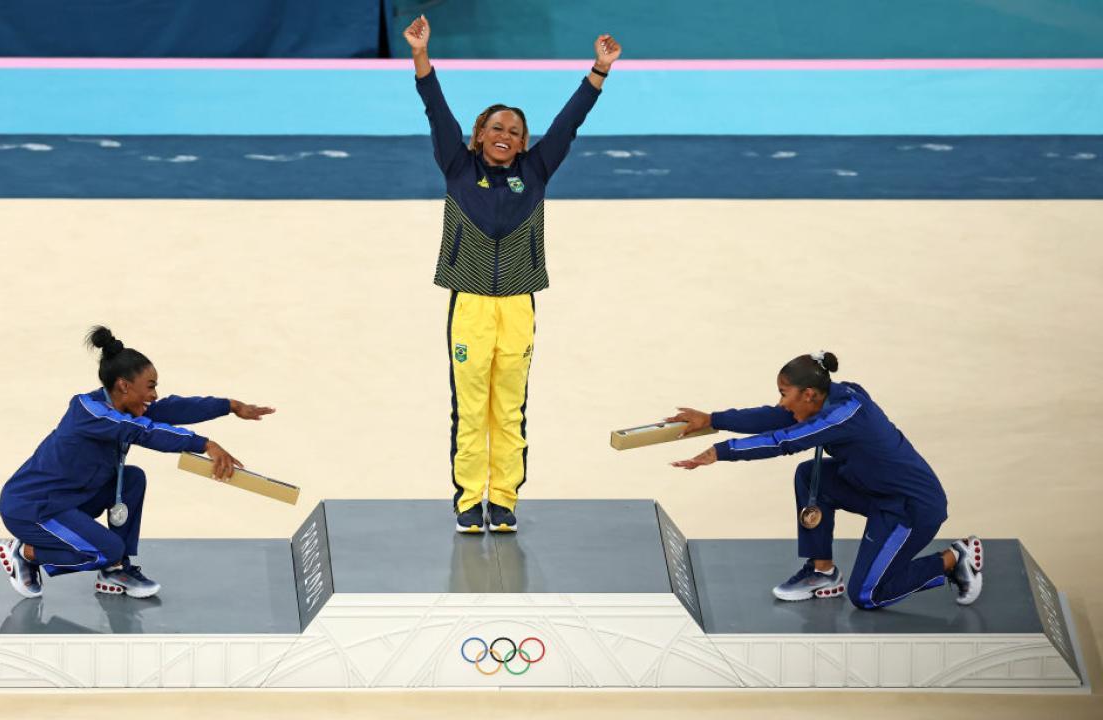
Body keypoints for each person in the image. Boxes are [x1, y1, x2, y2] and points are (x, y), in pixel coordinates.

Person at [403, 15, 621, 534]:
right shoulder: (457, 166)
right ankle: (466, 500)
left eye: (515, 132)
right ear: (479, 136)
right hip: (471, 306)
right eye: (496, 128)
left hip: (519, 304)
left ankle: (502, 500)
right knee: (471, 405)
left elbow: (568, 124)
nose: (505, 135)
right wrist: (420, 57)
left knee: (510, 408)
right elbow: (436, 111)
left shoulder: (537, 171)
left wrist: (598, 71)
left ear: (524, 145)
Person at [667, 351, 984, 609]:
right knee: (809, 475)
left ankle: (954, 558)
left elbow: (783, 441)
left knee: (867, 595)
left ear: (807, 394)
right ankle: (822, 572)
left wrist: (720, 452)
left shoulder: (844, 414)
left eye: (783, 394)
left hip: (911, 508)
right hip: (873, 491)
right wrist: (713, 420)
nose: (781, 402)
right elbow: (775, 417)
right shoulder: (822, 400)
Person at [0, 326, 274, 599]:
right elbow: (144, 432)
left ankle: (115, 571)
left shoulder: (125, 405)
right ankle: (27, 552)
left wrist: (231, 406)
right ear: (124, 386)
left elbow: (174, 407)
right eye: (150, 387)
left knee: (132, 478)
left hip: (68, 500)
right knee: (108, 549)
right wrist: (206, 444)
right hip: (32, 508)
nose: (154, 395)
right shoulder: (88, 410)